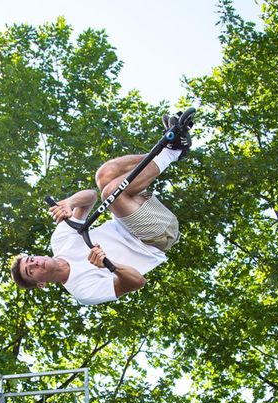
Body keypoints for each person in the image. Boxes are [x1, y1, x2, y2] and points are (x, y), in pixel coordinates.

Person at [10, 112, 193, 305]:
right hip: (155, 237)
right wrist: (110, 266)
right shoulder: (82, 291)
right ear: (41, 284)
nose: (36, 263)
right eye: (31, 270)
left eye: (31, 259)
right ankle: (172, 151)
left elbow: (90, 196)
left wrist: (70, 202)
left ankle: (172, 148)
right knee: (111, 193)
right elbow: (138, 282)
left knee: (104, 176)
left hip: (135, 212)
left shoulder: (60, 241)